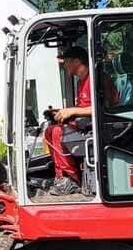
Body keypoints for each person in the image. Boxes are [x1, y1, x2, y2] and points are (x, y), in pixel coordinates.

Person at [43, 46, 118, 196]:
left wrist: (72, 110)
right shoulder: (81, 82)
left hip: (99, 127)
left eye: (67, 62)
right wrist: (62, 112)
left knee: (58, 132)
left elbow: (103, 108)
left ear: (77, 62)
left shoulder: (97, 79)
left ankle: (71, 179)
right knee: (49, 130)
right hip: (85, 124)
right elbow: (83, 108)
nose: (64, 66)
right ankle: (60, 177)